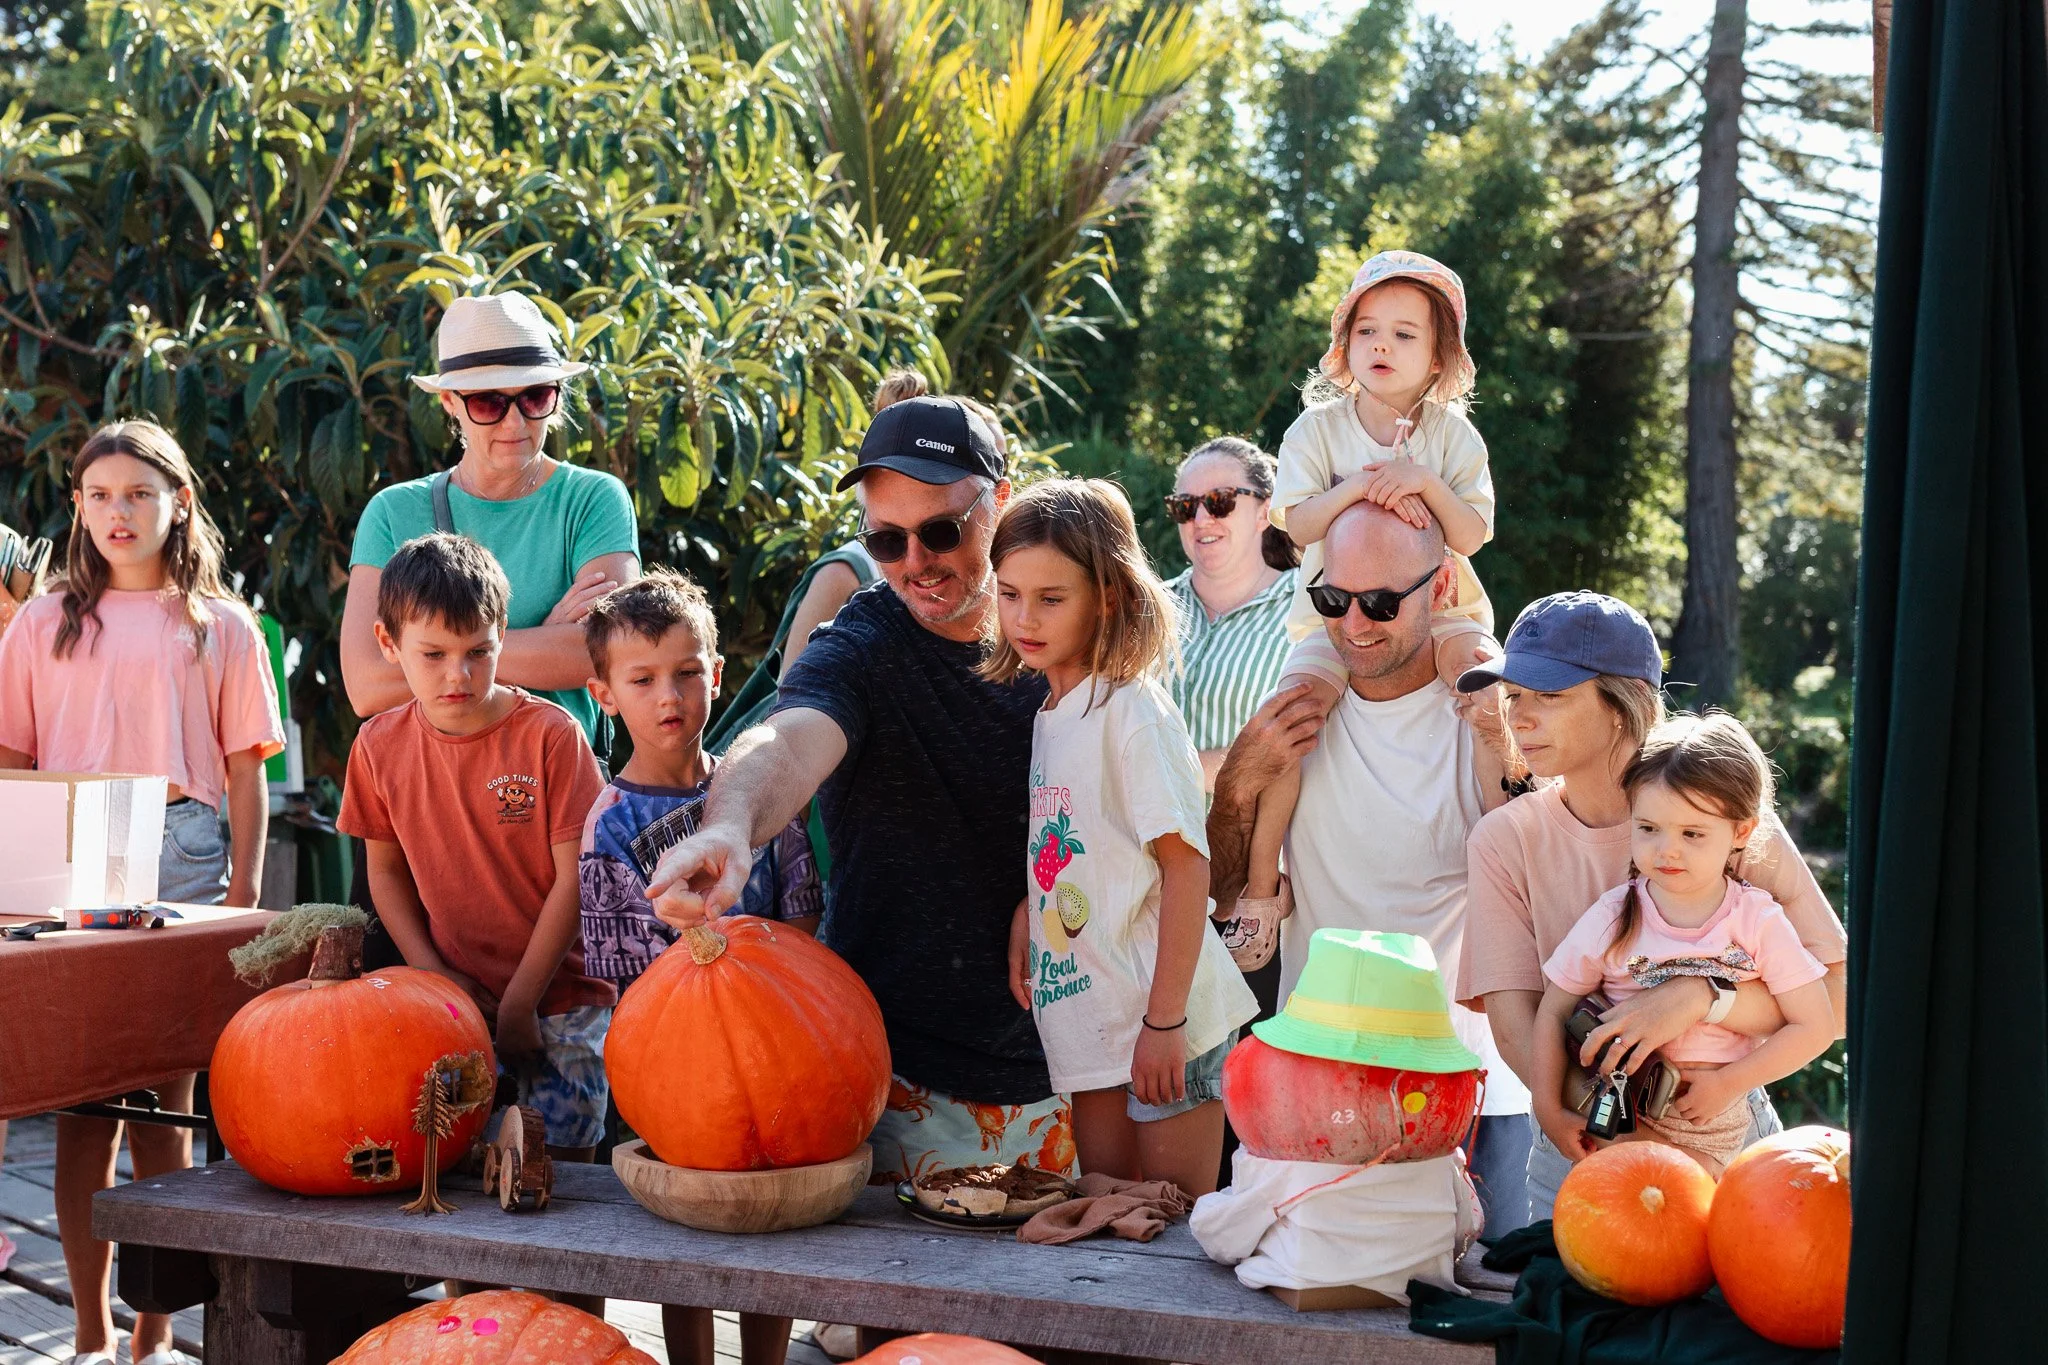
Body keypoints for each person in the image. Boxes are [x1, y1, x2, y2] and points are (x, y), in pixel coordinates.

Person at [644, 396, 1073, 1187]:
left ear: (1000, 501)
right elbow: (787, 736)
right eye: (884, 538)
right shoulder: (863, 646)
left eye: (941, 530)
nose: (915, 559)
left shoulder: (1068, 634)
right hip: (892, 1081)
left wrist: (1050, 886)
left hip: (1070, 1073)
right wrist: (731, 825)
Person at [0, 419, 285, 1365]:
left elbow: (246, 771)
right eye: (98, 495)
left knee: (168, 1095)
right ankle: (89, 1333)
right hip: (67, 854)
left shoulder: (222, 625)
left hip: (183, 852)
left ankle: (155, 1335)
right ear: (77, 508)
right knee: (83, 1100)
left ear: (180, 502)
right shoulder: (43, 622)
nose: (117, 512)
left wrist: (244, 887)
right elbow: (12, 758)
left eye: (138, 493)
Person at [1453, 592, 1848, 1215]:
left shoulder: (1717, 819)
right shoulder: (1505, 839)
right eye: (1515, 696)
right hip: (1582, 1147)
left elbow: (1835, 1000)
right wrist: (1636, 1148)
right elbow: (1517, 1029)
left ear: (1623, 706)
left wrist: (1702, 998)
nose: (1520, 718)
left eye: (1549, 697)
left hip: (1725, 1136)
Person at [1207, 501, 1535, 1232]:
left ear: (1443, 587)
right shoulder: (1298, 709)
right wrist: (1236, 782)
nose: (1354, 623)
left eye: (1382, 602)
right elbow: (1218, 888)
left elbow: (1535, 880)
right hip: (1316, 1080)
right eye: (1333, 598)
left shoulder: (1477, 710)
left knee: (1479, 1318)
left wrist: (1502, 737)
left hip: (1470, 1087)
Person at [987, 479, 1257, 1196]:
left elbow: (1184, 868)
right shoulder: (1054, 710)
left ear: (1108, 595)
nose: (1024, 616)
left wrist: (1164, 1021)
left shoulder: (1131, 709)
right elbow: (1090, 846)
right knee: (1107, 1217)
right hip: (1092, 1018)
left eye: (1051, 597)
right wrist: (1033, 907)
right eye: (1009, 593)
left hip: (1164, 1017)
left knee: (1169, 1234)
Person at [577, 570, 811, 1361]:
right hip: (673, 1066)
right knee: (689, 1237)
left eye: (686, 671)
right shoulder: (609, 823)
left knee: (772, 1222)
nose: (668, 694)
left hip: (780, 1050)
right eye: (641, 679)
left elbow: (803, 910)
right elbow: (618, 972)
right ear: (604, 692)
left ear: (715, 673)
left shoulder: (759, 794)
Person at [1239, 251, 1503, 929]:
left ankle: (1506, 857)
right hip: (1336, 608)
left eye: (1405, 334)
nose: (1382, 344)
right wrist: (1356, 486)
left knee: (1484, 689)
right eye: (1368, 330)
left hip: (1438, 608)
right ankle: (1264, 887)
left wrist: (1424, 482)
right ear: (1344, 344)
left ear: (1441, 357)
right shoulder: (1318, 430)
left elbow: (1470, 536)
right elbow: (1296, 522)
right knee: (1293, 713)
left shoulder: (1453, 437)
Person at [337, 534, 614, 1167]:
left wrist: (521, 1002)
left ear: (503, 635)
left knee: (558, 1182)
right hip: (454, 1009)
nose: (457, 675)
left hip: (562, 1005)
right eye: (432, 654)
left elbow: (578, 881)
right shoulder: (378, 747)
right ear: (388, 644)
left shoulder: (551, 736)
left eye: (479, 652)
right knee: (460, 1175)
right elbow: (384, 874)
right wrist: (434, 977)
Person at [1532, 713, 1835, 1177]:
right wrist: (1548, 1106)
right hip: (1615, 1110)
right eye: (1648, 828)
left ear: (1742, 832)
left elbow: (1813, 1027)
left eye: (1692, 834)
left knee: (1696, 1238)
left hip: (1713, 1117)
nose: (1666, 850)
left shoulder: (1756, 919)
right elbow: (1553, 1010)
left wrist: (1730, 1082)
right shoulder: (1613, 915)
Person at [340, 292, 640, 747]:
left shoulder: (594, 498)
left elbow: (611, 652)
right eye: (488, 402)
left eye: (535, 397)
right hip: (439, 790)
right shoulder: (392, 511)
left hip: (560, 780)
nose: (515, 423)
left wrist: (430, 659)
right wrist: (545, 639)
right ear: (449, 403)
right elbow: (365, 686)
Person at [1159, 438, 1299, 980]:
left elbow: (1295, 742)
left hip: (1253, 893)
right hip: (1153, 877)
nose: (1200, 518)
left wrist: (1177, 772)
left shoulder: (1311, 610)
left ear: (1265, 509)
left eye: (1219, 501)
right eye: (1184, 506)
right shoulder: (1153, 610)